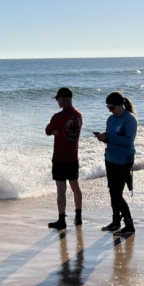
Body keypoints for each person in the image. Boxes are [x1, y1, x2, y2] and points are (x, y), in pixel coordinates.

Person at [95, 92, 137, 236]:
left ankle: (129, 224)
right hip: (110, 158)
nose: (110, 110)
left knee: (116, 194)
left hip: (124, 160)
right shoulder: (111, 119)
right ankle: (115, 222)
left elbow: (128, 140)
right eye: (108, 108)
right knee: (112, 191)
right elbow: (111, 138)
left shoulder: (129, 119)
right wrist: (103, 138)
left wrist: (109, 137)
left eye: (112, 107)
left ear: (120, 105)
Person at [45, 87, 84, 229]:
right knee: (75, 187)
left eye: (57, 99)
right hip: (73, 157)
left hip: (60, 159)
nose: (57, 102)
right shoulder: (79, 115)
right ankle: (78, 217)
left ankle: (62, 220)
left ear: (62, 98)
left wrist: (55, 131)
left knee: (61, 189)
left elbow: (48, 131)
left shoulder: (58, 117)